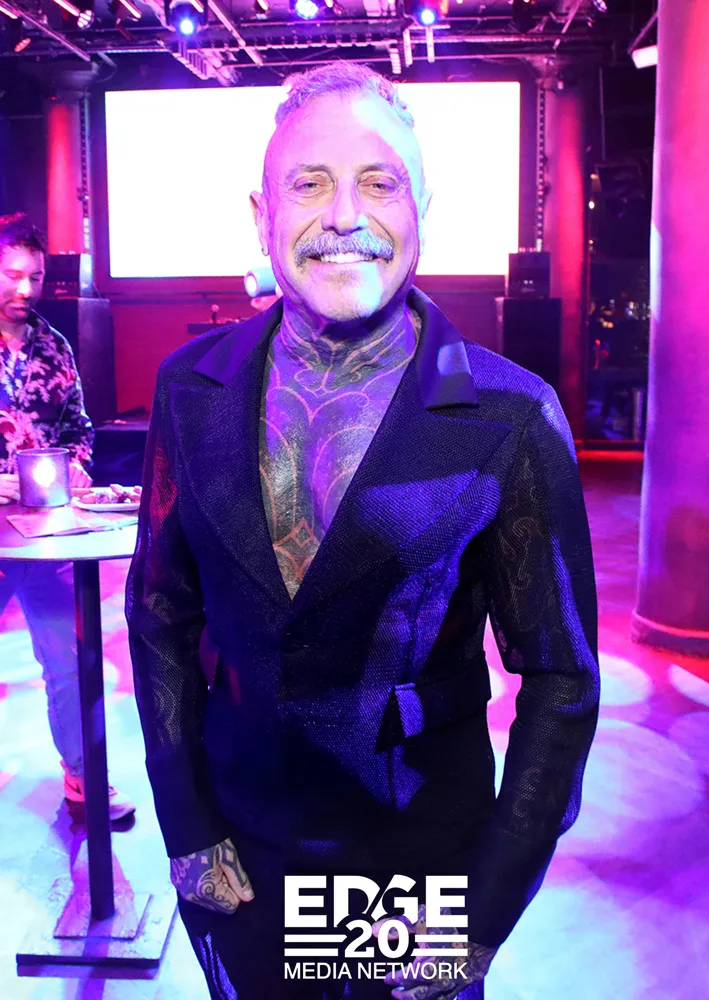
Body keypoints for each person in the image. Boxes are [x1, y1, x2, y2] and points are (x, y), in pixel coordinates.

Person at [126, 64, 600, 1000]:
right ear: (261, 213)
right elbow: (159, 615)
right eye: (309, 183)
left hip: (416, 864)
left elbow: (561, 680)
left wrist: (485, 906)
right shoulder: (189, 387)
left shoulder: (510, 415)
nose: (344, 214)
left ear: (424, 208)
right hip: (242, 846)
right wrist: (185, 824)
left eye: (379, 182)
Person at [0, 213, 135, 821]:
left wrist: (77, 464)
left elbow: (79, 429)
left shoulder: (54, 345)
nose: (24, 289)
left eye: (33, 277)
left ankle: (84, 777)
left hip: (43, 533)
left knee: (68, 662)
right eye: (11, 275)